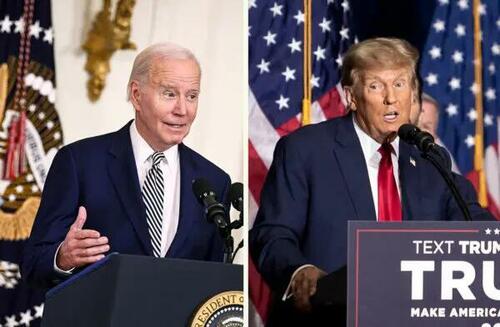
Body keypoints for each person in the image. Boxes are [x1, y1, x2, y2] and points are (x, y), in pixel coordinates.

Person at [249, 38, 493, 325]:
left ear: (413, 92)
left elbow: (476, 224)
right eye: (376, 86)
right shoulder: (306, 150)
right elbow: (273, 234)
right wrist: (299, 271)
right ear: (352, 97)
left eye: (400, 84)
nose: (391, 98)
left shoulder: (429, 158)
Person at [23, 43, 231, 288]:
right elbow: (33, 263)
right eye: (169, 94)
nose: (182, 110)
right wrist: (62, 257)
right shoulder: (79, 163)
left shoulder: (215, 182)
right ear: (136, 95)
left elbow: (215, 283)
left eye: (192, 96)